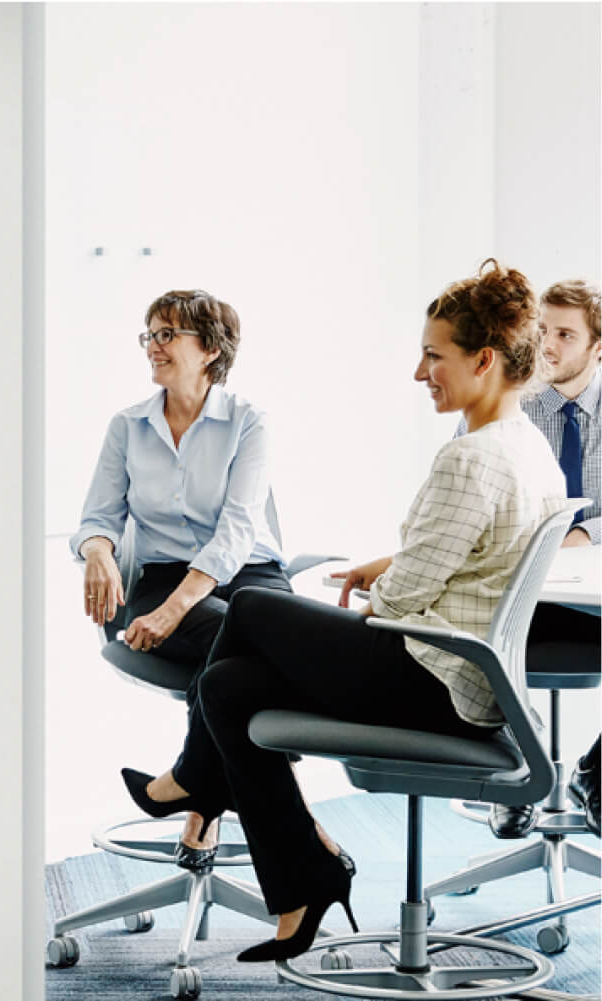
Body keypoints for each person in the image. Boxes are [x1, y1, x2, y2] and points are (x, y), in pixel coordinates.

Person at [123, 260, 568, 962]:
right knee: (225, 687)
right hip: (472, 679)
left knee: (257, 607)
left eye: (434, 354)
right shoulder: (529, 446)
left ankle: (194, 777)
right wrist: (389, 565)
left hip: (430, 676)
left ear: (484, 359)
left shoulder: (470, 459)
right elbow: (473, 556)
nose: (420, 372)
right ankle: (305, 880)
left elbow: (397, 601)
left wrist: (380, 583)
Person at [70, 289, 291, 869]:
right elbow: (97, 519)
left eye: (168, 334)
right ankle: (299, 825)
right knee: (249, 652)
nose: (154, 346)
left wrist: (173, 612)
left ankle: (194, 789)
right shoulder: (128, 426)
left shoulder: (249, 422)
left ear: (211, 350)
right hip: (162, 576)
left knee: (237, 637)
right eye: (150, 334)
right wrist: (97, 553)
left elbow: (237, 531)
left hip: (249, 574)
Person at [479, 279, 600, 838]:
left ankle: (595, 771)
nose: (547, 345)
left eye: (565, 335)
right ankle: (517, 771)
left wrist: (583, 534)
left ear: (596, 347)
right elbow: (476, 503)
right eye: (541, 330)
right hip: (520, 598)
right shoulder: (507, 405)